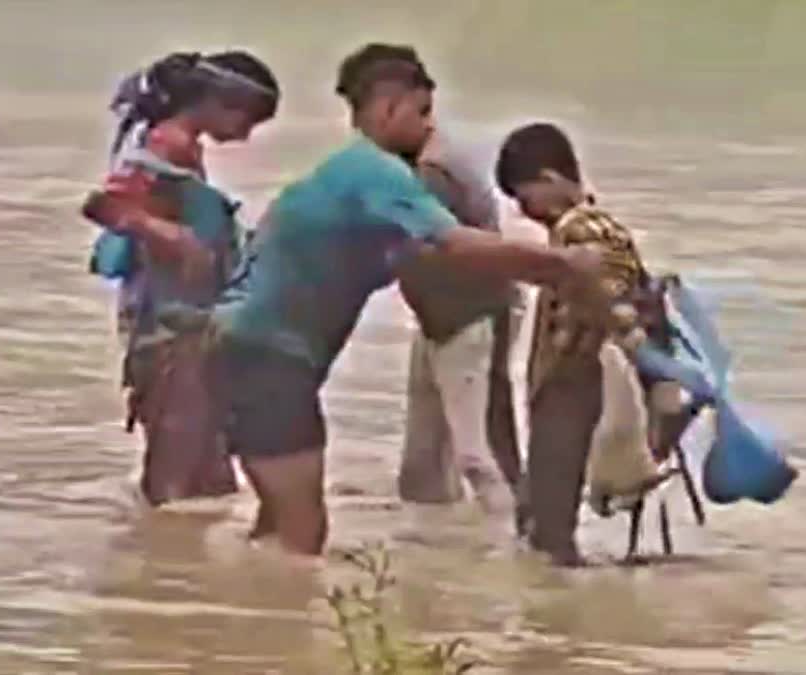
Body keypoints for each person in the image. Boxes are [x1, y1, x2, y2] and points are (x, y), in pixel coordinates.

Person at [84, 43, 608, 557]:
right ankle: (239, 617)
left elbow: (423, 258)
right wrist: (565, 266)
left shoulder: (348, 174)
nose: (429, 127)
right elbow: (452, 243)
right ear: (387, 108)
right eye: (421, 112)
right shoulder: (375, 173)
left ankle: (216, 604)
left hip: (245, 346)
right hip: (268, 357)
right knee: (301, 535)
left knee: (274, 523)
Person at [84, 50, 280, 506]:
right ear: (217, 102)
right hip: (165, 323)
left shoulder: (180, 147)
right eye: (247, 120)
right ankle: (160, 560)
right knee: (175, 466)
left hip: (182, 319)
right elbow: (105, 204)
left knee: (204, 468)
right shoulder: (165, 144)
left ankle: (178, 561)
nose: (247, 134)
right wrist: (174, 238)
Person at [495, 122, 658, 566]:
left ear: (548, 180)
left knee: (549, 518)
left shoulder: (580, 229)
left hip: (574, 376)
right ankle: (560, 606)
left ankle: (557, 608)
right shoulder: (593, 226)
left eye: (523, 197)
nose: (523, 210)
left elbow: (608, 300)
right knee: (547, 506)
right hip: (573, 376)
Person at [395, 125, 522, 516]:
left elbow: (425, 248)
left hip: (465, 318)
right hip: (444, 318)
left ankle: (512, 536)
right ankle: (439, 550)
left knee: (473, 455)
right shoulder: (437, 158)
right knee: (424, 461)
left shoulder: (433, 173)